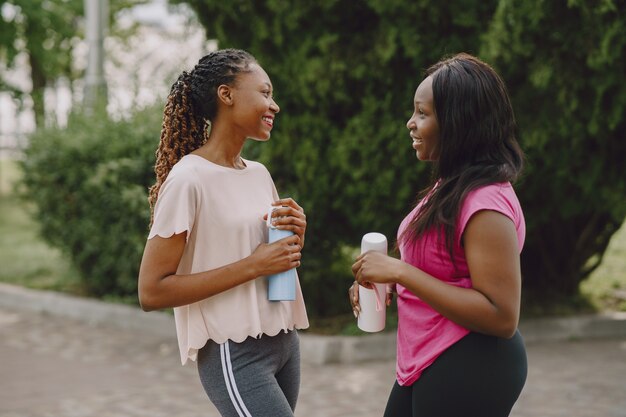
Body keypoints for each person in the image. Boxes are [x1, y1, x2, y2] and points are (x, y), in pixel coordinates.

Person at [349, 53, 527, 417]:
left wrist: (400, 272)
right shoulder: (453, 186)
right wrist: (388, 281)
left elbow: (502, 316)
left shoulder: (485, 203)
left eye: (423, 113)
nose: (410, 124)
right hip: (427, 358)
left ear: (458, 122)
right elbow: (447, 274)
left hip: (470, 362)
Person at [138, 48, 309, 417]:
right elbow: (151, 291)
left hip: (285, 342)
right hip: (235, 352)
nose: (274, 105)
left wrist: (296, 238)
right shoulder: (188, 179)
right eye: (264, 92)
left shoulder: (259, 173)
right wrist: (254, 265)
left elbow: (274, 264)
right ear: (226, 94)